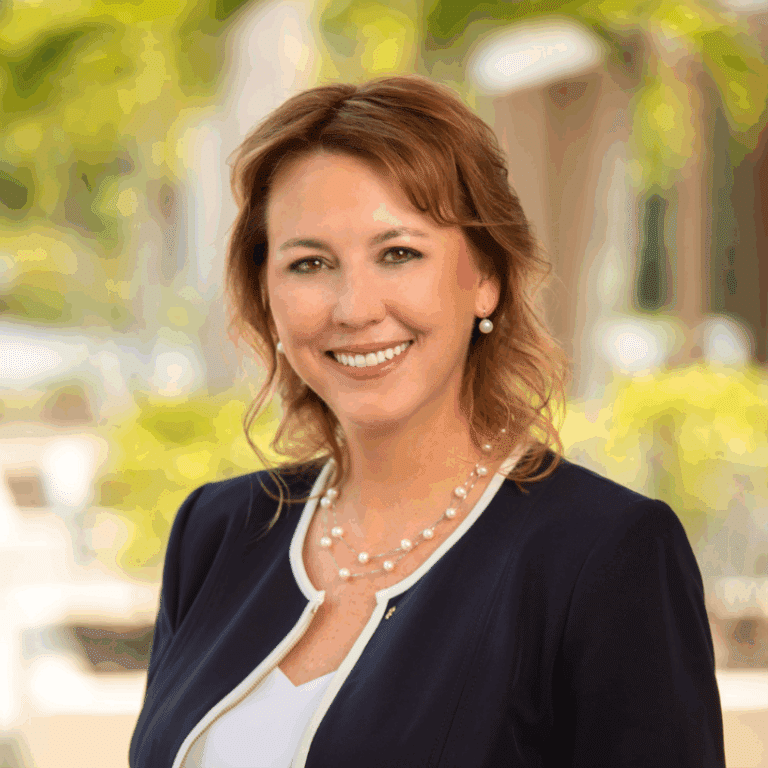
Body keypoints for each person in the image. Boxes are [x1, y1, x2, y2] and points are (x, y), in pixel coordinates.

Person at [129, 75, 725, 768]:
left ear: (486, 277)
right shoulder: (216, 531)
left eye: (399, 254)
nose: (354, 307)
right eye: (310, 263)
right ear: (267, 298)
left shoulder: (605, 556)